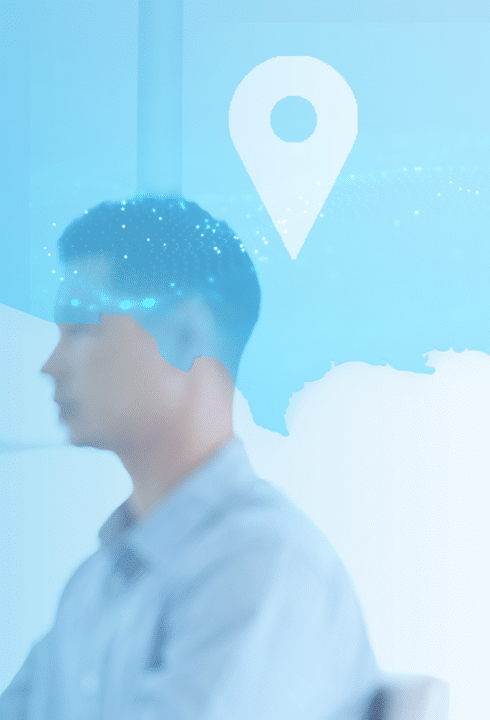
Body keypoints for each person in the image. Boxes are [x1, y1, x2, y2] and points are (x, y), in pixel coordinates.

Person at [0, 197, 382, 719]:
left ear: (185, 336)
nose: (50, 364)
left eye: (82, 329)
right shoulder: (95, 585)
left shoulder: (264, 566)